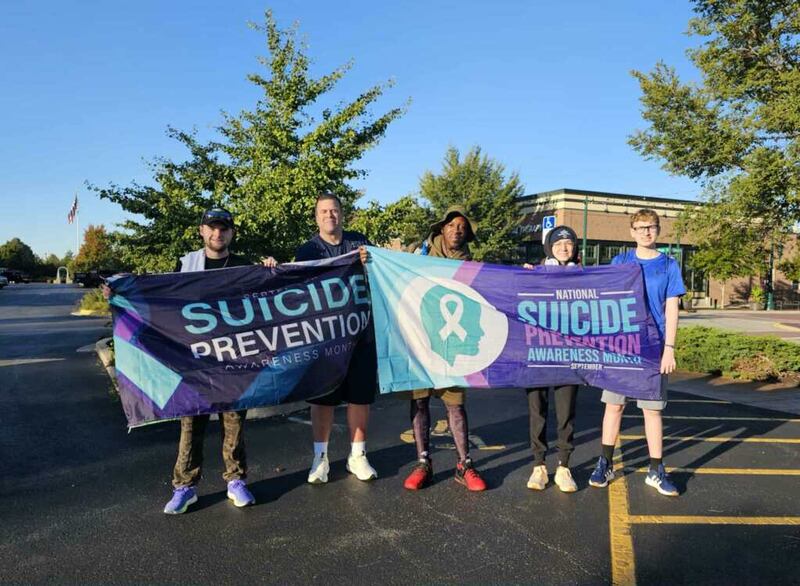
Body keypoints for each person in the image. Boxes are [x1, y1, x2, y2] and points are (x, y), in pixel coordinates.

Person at [104, 207, 274, 514]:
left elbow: (267, 295)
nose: (217, 234)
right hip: (193, 361)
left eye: (223, 229)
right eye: (212, 228)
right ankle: (185, 487)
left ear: (231, 233)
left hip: (233, 360)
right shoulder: (186, 264)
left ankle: (236, 481)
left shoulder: (242, 266)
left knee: (234, 423)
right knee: (191, 423)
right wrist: (118, 291)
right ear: (202, 231)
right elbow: (156, 296)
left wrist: (270, 269)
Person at [588, 208, 686, 497]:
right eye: (641, 227)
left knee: (651, 411)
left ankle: (656, 469)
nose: (646, 231)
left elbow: (671, 308)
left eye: (652, 226)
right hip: (622, 344)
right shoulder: (621, 261)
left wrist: (669, 348)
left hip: (653, 346)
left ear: (658, 230)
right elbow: (601, 295)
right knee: (614, 405)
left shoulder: (668, 266)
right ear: (631, 232)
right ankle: (605, 462)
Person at [294, 192, 378, 484]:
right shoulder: (307, 251)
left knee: (359, 397)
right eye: (324, 211)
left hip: (361, 335)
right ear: (316, 217)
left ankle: (358, 455)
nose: (330, 215)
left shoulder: (360, 243)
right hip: (324, 340)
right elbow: (293, 289)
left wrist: (372, 262)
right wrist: (271, 268)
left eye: (334, 210)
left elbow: (381, 276)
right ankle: (321, 458)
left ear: (342, 214)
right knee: (323, 399)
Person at [403, 206, 487, 492]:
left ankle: (464, 464)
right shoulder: (420, 255)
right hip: (421, 342)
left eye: (462, 226)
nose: (456, 230)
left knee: (456, 405)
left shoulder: (470, 266)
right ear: (441, 229)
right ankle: (423, 462)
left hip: (453, 348)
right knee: (420, 401)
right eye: (451, 225)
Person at [523, 226, 580, 493]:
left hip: (569, 353)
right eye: (558, 244)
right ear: (549, 248)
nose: (564, 248)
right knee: (538, 410)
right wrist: (521, 277)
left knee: (566, 413)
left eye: (569, 243)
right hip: (538, 352)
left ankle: (564, 466)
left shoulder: (584, 276)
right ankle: (539, 465)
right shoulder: (535, 273)